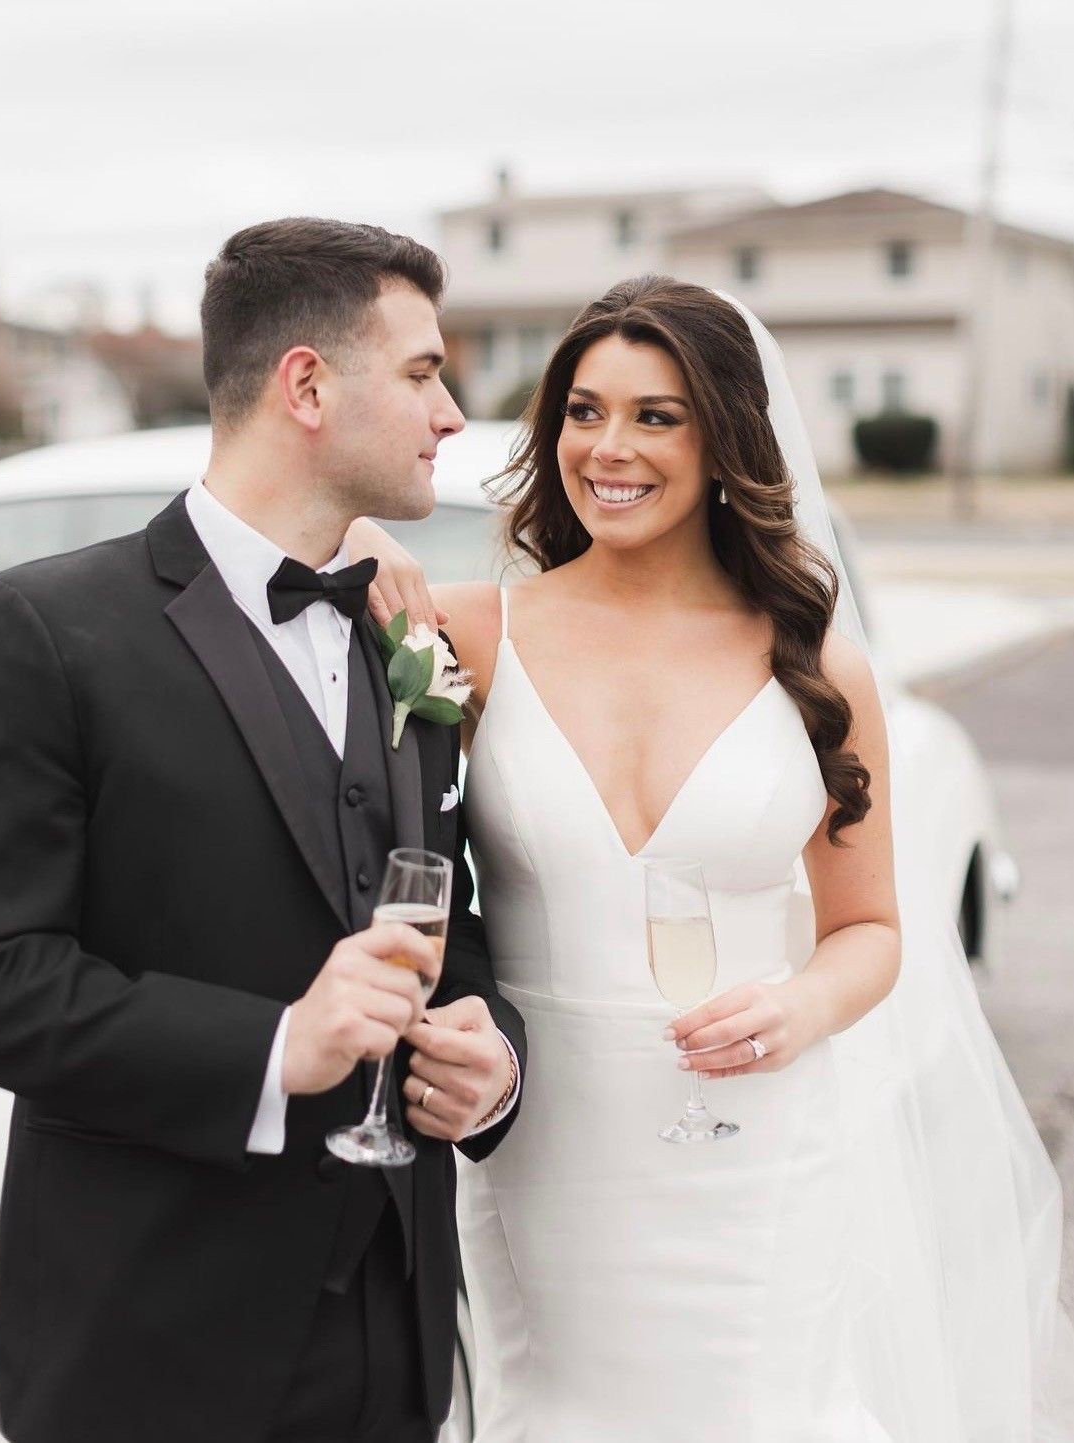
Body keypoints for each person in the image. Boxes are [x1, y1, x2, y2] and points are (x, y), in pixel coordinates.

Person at [351, 277, 1074, 1440]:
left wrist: (797, 1010)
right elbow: (296, 603)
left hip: (754, 1146)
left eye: (656, 416)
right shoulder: (470, 632)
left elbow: (870, 931)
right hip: (545, 1149)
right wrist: (358, 537)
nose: (607, 448)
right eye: (583, 412)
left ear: (727, 439)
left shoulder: (813, 661)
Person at [0, 217, 525, 1443]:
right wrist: (273, 1049)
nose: (449, 413)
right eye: (418, 373)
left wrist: (492, 1065)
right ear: (305, 383)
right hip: (146, 1351)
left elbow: (451, 944)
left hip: (395, 1354)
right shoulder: (43, 631)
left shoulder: (408, 641)